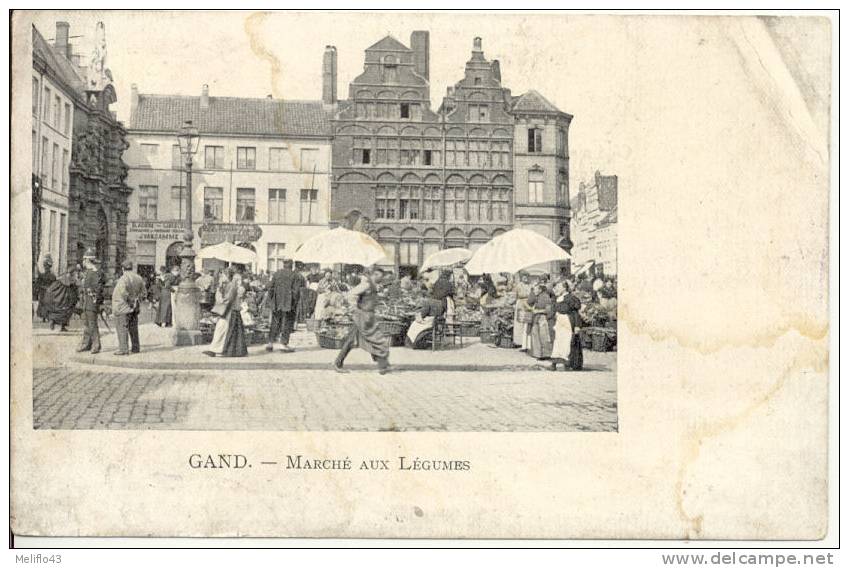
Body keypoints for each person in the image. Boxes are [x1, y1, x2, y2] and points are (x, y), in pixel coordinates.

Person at [333, 268, 391, 374]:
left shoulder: (372, 285)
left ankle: (382, 363)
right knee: (376, 338)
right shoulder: (366, 284)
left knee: (357, 340)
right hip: (362, 316)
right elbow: (351, 294)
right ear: (375, 274)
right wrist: (354, 307)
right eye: (380, 277)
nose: (381, 279)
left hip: (367, 317)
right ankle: (382, 364)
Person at [204, 267, 248, 358]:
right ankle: (221, 349)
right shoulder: (230, 285)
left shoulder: (231, 285)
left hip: (229, 311)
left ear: (227, 275)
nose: (221, 276)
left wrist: (219, 298)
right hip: (232, 311)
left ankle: (216, 349)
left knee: (222, 329)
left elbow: (227, 299)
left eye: (223, 274)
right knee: (225, 330)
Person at [266, 259, 303, 352]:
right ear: (291, 265)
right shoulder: (295, 275)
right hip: (288, 302)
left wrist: (271, 300)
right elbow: (296, 291)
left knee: (275, 322)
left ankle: (270, 343)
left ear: (283, 265)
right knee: (287, 323)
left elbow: (270, 287)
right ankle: (283, 343)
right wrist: (295, 303)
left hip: (276, 302)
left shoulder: (276, 273)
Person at [111, 260, 147, 355]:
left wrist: (130, 300)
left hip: (123, 307)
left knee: (122, 328)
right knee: (133, 328)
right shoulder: (139, 278)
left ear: (123, 269)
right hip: (134, 308)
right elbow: (144, 293)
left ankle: (123, 349)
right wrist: (136, 301)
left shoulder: (123, 278)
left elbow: (123, 292)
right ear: (132, 268)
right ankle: (135, 348)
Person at [549, 280, 584, 371]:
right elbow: (554, 310)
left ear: (564, 288)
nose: (556, 288)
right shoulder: (557, 298)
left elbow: (575, 312)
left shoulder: (571, 298)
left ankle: (567, 363)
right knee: (558, 341)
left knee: (567, 342)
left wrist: (577, 326)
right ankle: (554, 362)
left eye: (559, 286)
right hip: (559, 322)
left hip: (568, 322)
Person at [76, 249, 104, 354]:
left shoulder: (95, 272)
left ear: (87, 260)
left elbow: (98, 289)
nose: (83, 261)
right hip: (86, 302)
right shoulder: (88, 272)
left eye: (84, 259)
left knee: (92, 324)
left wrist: (92, 294)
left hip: (92, 302)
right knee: (87, 324)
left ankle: (96, 345)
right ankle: (86, 344)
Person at [526, 282, 554, 359]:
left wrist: (538, 311)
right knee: (535, 334)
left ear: (540, 289)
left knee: (543, 336)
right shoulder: (537, 296)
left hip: (542, 318)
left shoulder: (546, 297)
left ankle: (545, 354)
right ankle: (537, 354)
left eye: (535, 289)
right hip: (536, 318)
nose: (534, 290)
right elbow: (529, 302)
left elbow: (548, 310)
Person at [512, 273, 532, 349]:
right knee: (519, 323)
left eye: (526, 277)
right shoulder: (518, 285)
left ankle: (526, 342)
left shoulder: (530, 285)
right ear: (521, 278)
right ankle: (518, 341)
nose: (525, 278)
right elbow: (516, 295)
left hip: (528, 304)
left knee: (526, 323)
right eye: (524, 277)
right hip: (520, 304)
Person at [34, 255, 56, 323]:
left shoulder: (52, 276)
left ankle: (47, 317)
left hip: (47, 292)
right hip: (44, 292)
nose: (46, 268)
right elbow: (39, 280)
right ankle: (44, 317)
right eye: (45, 266)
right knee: (43, 304)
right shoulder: (47, 275)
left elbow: (54, 284)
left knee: (47, 304)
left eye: (47, 266)